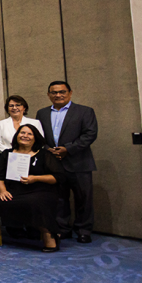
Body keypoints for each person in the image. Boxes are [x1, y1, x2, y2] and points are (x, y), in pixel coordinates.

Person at [36, 81, 97, 243]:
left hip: (79, 162)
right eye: (54, 92)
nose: (58, 95)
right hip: (53, 164)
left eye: (62, 92)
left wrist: (67, 149)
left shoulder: (85, 111)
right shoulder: (42, 113)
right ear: (48, 95)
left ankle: (83, 230)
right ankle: (62, 229)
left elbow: (89, 134)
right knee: (59, 199)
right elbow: (38, 136)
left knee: (83, 199)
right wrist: (49, 150)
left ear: (70, 93)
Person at [0, 124, 64, 252]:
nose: (25, 136)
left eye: (29, 134)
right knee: (0, 200)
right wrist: (2, 191)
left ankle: (50, 237)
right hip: (14, 191)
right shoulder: (7, 154)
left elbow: (57, 177)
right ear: (17, 135)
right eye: (22, 133)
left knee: (36, 202)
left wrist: (35, 178)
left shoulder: (44, 154)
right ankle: (15, 231)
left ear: (35, 138)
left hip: (40, 191)